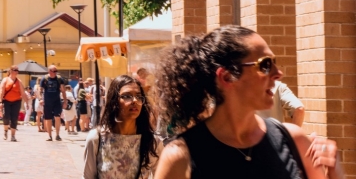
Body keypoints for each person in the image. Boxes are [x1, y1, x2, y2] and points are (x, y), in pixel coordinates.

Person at [154, 25, 344, 178]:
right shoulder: (180, 157)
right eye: (265, 65)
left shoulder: (293, 139)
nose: (278, 73)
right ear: (227, 77)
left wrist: (335, 171)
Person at [83, 74, 158, 179]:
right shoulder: (97, 138)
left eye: (139, 96)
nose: (135, 101)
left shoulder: (152, 142)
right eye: (127, 96)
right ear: (114, 102)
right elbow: (88, 177)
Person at [0, 66, 25, 141]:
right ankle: (5, 131)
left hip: (16, 101)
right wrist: (0, 102)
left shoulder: (19, 81)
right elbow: (1, 91)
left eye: (17, 70)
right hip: (6, 101)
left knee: (14, 118)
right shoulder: (5, 80)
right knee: (6, 117)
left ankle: (13, 135)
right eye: (15, 70)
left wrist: (27, 102)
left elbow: (23, 92)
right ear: (10, 71)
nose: (16, 71)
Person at [41, 65, 66, 141]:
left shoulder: (59, 79)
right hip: (47, 101)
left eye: (56, 71)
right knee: (48, 118)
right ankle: (49, 135)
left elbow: (63, 90)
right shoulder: (44, 79)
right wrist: (40, 99)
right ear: (49, 71)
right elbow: (41, 90)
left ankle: (57, 135)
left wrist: (65, 100)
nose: (55, 72)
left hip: (57, 101)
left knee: (57, 117)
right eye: (54, 71)